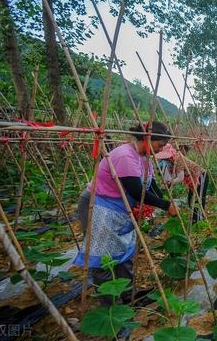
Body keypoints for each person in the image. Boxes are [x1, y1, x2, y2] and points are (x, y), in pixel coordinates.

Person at [75, 122, 177, 305]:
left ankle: (127, 294)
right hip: (99, 206)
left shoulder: (144, 157)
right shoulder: (125, 155)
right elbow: (136, 191)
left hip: (119, 208)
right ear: (147, 139)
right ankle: (111, 304)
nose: (160, 149)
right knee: (103, 257)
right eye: (159, 145)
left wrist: (164, 202)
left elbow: (150, 184)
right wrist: (165, 205)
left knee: (124, 252)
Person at [156, 144, 208, 223]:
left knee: (198, 199)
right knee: (191, 199)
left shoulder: (178, 159)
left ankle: (199, 220)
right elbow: (171, 176)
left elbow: (180, 178)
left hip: (200, 176)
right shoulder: (170, 161)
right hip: (192, 179)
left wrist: (170, 183)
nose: (164, 160)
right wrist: (167, 182)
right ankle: (195, 219)